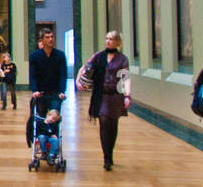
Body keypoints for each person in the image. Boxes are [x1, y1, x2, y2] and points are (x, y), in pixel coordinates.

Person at [77, 31, 130, 170]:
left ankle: (110, 152)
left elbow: (125, 78)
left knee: (113, 125)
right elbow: (85, 67)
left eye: (111, 39)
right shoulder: (99, 56)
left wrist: (127, 96)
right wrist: (78, 80)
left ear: (117, 42)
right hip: (102, 95)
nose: (108, 41)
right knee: (104, 121)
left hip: (116, 96)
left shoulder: (122, 59)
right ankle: (106, 157)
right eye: (106, 38)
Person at [29, 28, 68, 105]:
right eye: (47, 37)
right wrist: (35, 90)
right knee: (41, 116)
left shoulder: (60, 55)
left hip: (56, 93)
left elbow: (63, 75)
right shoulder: (34, 56)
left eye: (52, 37)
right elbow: (33, 75)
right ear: (42, 40)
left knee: (54, 115)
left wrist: (62, 91)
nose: (50, 39)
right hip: (41, 93)